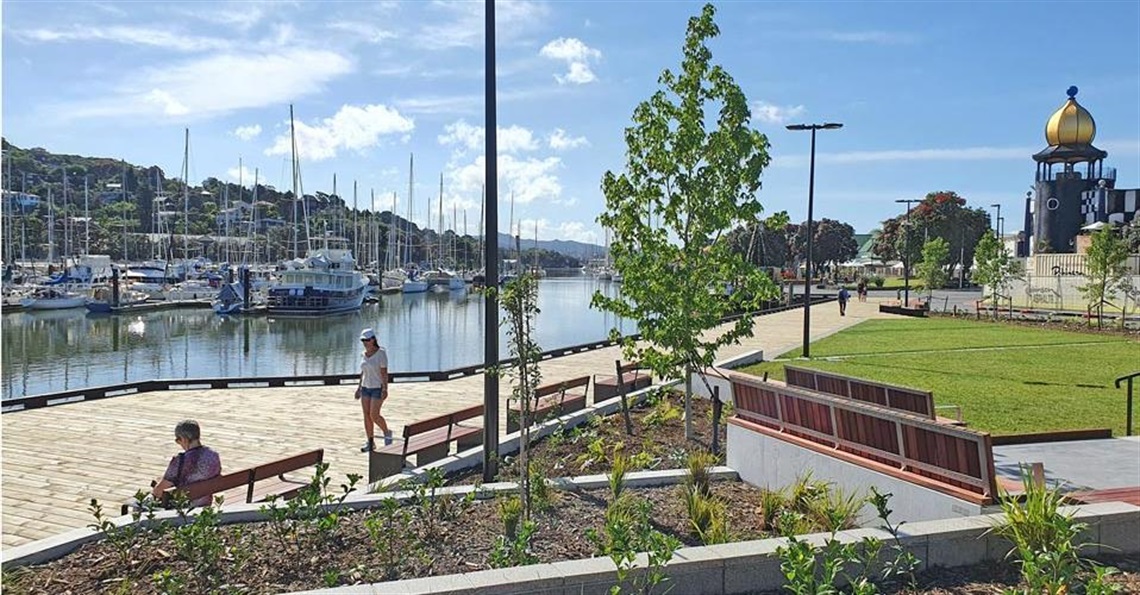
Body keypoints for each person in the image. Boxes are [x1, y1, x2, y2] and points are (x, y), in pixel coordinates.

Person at [151, 420, 221, 507]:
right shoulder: (213, 455)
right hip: (205, 505)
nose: (178, 443)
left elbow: (159, 491)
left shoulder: (179, 461)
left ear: (184, 439)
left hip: (183, 509)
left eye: (178, 440)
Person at [357, 327, 392, 452]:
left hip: (377, 387)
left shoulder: (381, 353)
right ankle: (370, 441)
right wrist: (358, 387)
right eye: (363, 340)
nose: (365, 342)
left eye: (367, 340)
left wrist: (385, 389)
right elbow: (363, 372)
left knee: (374, 415)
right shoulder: (363, 354)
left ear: (373, 340)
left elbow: (384, 373)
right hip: (365, 387)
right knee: (366, 415)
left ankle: (387, 432)